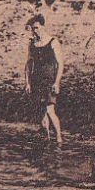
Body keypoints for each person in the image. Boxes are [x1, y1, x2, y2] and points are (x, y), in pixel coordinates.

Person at [25, 14, 65, 146]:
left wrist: (57, 82)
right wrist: (28, 82)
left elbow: (60, 64)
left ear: (42, 26)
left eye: (37, 28)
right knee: (41, 111)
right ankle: (47, 138)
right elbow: (28, 64)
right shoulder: (32, 44)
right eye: (33, 29)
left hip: (49, 81)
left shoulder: (53, 42)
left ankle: (59, 138)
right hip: (37, 81)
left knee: (50, 110)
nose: (35, 31)